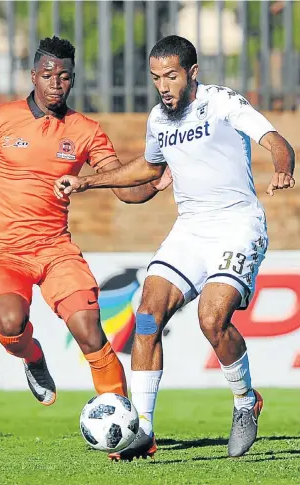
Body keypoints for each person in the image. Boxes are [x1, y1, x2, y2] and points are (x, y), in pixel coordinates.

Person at [54, 35, 296, 460]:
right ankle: (143, 429)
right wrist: (88, 181)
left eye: (171, 76)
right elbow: (148, 166)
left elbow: (274, 139)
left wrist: (283, 166)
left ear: (192, 74)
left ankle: (245, 402)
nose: (163, 86)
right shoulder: (158, 120)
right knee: (146, 317)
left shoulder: (222, 102)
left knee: (211, 320)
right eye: (155, 78)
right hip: (190, 230)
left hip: (237, 226)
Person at [0, 36, 171, 407]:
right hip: (7, 251)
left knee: (90, 331)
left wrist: (157, 182)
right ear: (33, 76)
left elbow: (123, 188)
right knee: (10, 325)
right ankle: (32, 356)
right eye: (48, 75)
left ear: (73, 79)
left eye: (64, 76)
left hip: (57, 250)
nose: (56, 84)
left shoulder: (86, 130)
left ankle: (128, 423)